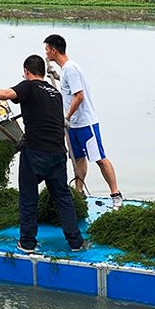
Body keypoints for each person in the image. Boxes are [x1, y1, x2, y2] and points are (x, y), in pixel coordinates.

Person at [0, 55, 85, 253]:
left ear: (27, 71)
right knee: (63, 198)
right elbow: (45, 118)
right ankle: (76, 243)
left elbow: (6, 94)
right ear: (43, 72)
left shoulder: (28, 86)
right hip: (58, 154)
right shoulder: (55, 93)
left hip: (35, 153)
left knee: (28, 198)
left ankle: (27, 243)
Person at [43, 34, 124, 210]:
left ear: (54, 50)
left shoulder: (71, 68)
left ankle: (115, 195)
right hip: (73, 126)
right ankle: (79, 193)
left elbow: (79, 96)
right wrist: (56, 76)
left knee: (100, 159)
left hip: (85, 123)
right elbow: (68, 87)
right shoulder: (65, 70)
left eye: (47, 50)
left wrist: (67, 117)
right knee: (78, 158)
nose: (46, 53)